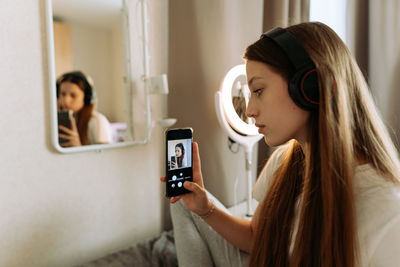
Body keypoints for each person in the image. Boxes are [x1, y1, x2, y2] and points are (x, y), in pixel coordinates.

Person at [161, 22, 400, 267]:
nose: (251, 110)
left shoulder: (386, 209)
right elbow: (257, 237)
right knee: (183, 202)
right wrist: (205, 208)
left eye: (259, 90)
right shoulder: (284, 164)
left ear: (312, 87)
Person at [57, 71, 113, 147]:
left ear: (87, 98)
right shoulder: (59, 120)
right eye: (63, 94)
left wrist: (78, 147)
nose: (65, 101)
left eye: (73, 95)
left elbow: (104, 158)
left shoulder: (98, 121)